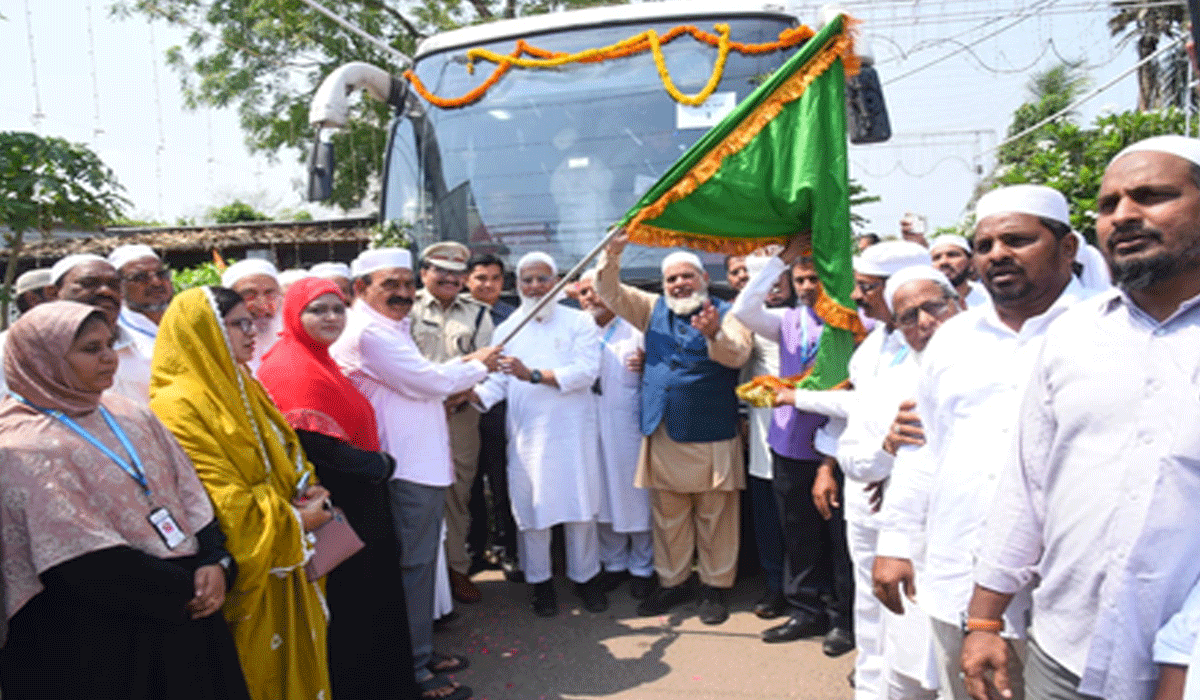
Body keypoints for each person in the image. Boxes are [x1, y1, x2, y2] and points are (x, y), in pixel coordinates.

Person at [962, 137, 1200, 700]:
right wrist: (985, 621)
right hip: (1064, 653)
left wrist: (1188, 649)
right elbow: (1027, 488)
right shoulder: (1073, 335)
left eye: (1152, 196)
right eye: (1110, 203)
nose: (1124, 216)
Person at [873, 184, 1087, 700]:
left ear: (1068, 248)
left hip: (1073, 594)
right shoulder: (953, 339)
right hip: (959, 574)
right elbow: (924, 446)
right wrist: (896, 540)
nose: (998, 255)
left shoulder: (1107, 328)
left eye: (1017, 240)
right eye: (985, 245)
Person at [0, 301, 248, 700]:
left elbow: (189, 494)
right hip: (97, 636)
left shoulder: (128, 413)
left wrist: (214, 562)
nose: (107, 359)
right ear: (41, 359)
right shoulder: (19, 444)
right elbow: (79, 560)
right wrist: (185, 587)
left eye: (109, 344)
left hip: (184, 611)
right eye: (88, 349)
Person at [331, 247, 498, 700]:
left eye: (407, 284)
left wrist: (467, 369)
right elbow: (431, 382)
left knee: (420, 566)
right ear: (362, 289)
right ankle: (412, 668)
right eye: (391, 285)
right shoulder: (369, 333)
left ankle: (420, 654)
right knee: (412, 568)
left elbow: (427, 380)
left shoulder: (391, 326)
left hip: (421, 464)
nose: (404, 294)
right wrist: (481, 363)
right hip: (404, 468)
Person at [150, 286, 333, 700]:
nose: (252, 333)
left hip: (287, 551)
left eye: (252, 322)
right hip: (249, 560)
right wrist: (293, 520)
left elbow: (287, 450)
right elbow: (214, 493)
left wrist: (307, 485)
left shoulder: (242, 383)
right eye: (238, 324)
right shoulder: (177, 403)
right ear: (204, 331)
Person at [258, 277, 420, 700]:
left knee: (372, 603)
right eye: (317, 310)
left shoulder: (317, 358)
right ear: (294, 314)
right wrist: (379, 465)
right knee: (357, 608)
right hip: (343, 509)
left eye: (337, 308)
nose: (331, 318)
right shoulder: (291, 366)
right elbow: (314, 446)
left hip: (358, 502)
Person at [597, 231, 752, 625]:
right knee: (669, 516)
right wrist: (613, 253)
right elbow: (609, 291)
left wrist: (713, 333)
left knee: (715, 516)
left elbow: (736, 357)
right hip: (663, 429)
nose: (679, 284)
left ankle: (716, 588)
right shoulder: (651, 309)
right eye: (672, 279)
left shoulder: (727, 313)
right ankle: (674, 583)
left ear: (703, 279)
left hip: (711, 431)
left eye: (687, 277)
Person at [834, 266, 962, 700]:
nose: (925, 323)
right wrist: (886, 450)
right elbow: (853, 457)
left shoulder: (1003, 367)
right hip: (904, 546)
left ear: (958, 305)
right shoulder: (887, 379)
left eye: (935, 308)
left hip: (970, 552)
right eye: (909, 316)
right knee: (904, 663)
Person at [731, 236, 855, 652]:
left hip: (835, 447)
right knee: (797, 534)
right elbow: (744, 309)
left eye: (815, 279)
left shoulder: (854, 324)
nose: (806, 287)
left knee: (837, 537)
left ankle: (843, 618)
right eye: (800, 279)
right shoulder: (786, 321)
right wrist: (778, 261)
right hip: (788, 444)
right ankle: (806, 611)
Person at [474, 252, 605, 617]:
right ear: (519, 286)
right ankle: (541, 584)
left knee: (581, 510)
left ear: (557, 281)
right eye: (527, 280)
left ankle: (586, 579)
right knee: (533, 512)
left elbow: (585, 373)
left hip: (574, 434)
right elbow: (497, 383)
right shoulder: (508, 329)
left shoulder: (580, 322)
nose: (535, 287)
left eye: (542, 279)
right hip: (529, 439)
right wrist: (468, 394)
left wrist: (532, 375)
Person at [410, 241, 494, 605]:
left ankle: (456, 568)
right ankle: (424, 573)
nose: (449, 278)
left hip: (460, 418)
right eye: (440, 271)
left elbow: (490, 366)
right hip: (412, 417)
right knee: (416, 493)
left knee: (458, 492)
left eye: (456, 273)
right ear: (424, 273)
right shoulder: (405, 310)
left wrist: (458, 396)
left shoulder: (477, 314)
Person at [577, 269, 654, 599]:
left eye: (596, 290)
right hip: (587, 428)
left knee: (634, 495)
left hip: (627, 429)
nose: (590, 298)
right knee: (600, 496)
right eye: (583, 293)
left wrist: (649, 363)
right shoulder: (576, 333)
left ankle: (643, 566)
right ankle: (613, 564)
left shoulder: (637, 328)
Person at [463, 253, 518, 579]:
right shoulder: (456, 315)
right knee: (468, 485)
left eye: (495, 278)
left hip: (500, 412)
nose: (487, 284)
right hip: (462, 411)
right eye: (481, 277)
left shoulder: (512, 318)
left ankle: (507, 548)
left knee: (502, 482)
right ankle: (474, 548)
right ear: (468, 280)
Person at [50, 253, 148, 403]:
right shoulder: (17, 350)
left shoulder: (145, 346)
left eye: (114, 285)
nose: (106, 291)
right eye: (89, 283)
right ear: (53, 293)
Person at [107, 244, 175, 403]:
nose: (156, 282)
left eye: (161, 274)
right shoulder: (113, 331)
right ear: (119, 286)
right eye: (140, 277)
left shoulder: (187, 320)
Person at [221, 258, 283, 370]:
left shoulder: (305, 347)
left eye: (269, 294)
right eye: (249, 295)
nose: (262, 305)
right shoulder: (220, 357)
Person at [928, 236, 989, 308]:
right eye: (936, 258)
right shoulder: (923, 301)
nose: (943, 262)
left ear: (971, 262)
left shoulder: (989, 297)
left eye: (952, 255)